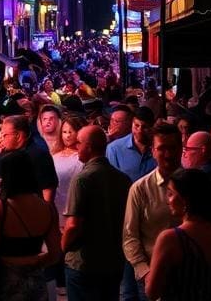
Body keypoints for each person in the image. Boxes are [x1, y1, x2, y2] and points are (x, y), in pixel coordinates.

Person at [0, 151, 62, 301]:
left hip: (6, 282)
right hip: (36, 283)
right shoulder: (48, 208)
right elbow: (55, 253)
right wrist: (33, 262)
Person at [145, 167, 211, 301]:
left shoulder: (170, 240)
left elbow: (152, 292)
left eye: (171, 194)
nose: (167, 200)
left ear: (186, 200)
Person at [62, 126, 131, 301]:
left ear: (89, 147)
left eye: (79, 142)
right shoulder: (123, 179)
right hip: (113, 262)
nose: (76, 146)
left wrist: (61, 249)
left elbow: (73, 226)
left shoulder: (82, 179)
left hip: (83, 263)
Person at [123, 121, 183, 301]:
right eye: (162, 148)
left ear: (181, 148)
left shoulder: (197, 185)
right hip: (153, 276)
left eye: (173, 148)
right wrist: (145, 272)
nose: (168, 154)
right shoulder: (140, 189)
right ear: (153, 151)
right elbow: (129, 236)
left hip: (190, 276)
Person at [0, 114, 59, 201]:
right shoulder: (6, 154)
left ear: (18, 136)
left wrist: (44, 211)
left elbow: (47, 190)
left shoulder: (39, 155)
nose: (1, 139)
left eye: (5, 135)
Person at [51, 114, 85, 229]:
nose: (67, 136)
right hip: (56, 205)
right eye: (64, 132)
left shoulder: (83, 157)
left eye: (71, 132)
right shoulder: (55, 155)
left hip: (76, 207)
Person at [108, 106, 156, 183]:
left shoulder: (159, 147)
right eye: (136, 125)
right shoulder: (114, 149)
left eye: (145, 127)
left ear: (152, 127)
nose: (140, 131)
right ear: (132, 123)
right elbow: (112, 181)